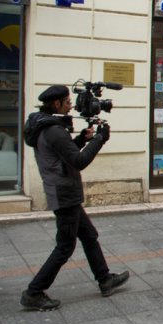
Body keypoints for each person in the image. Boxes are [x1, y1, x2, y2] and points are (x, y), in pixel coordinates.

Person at [21, 85, 129, 311]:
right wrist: (99, 139)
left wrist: (81, 138)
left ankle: (104, 278)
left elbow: (63, 153)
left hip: (62, 189)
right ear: (56, 104)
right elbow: (78, 161)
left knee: (89, 235)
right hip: (64, 192)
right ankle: (34, 292)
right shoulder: (54, 130)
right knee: (65, 246)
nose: (71, 104)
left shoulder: (45, 125)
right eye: (67, 101)